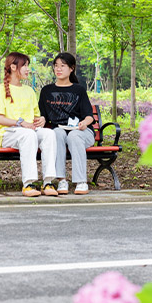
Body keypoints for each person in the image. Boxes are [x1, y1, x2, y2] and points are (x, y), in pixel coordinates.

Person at [0, 52, 58, 197]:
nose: (28, 69)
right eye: (25, 66)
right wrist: (21, 123)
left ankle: (48, 182)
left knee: (49, 133)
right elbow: (0, 119)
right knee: (28, 135)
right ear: (13, 67)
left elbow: (35, 117)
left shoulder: (29, 91)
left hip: (29, 132)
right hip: (9, 133)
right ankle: (28, 184)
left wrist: (41, 120)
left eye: (28, 66)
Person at [39, 52, 95, 195]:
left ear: (71, 68)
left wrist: (83, 123)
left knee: (74, 136)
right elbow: (42, 115)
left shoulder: (79, 90)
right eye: (56, 66)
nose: (58, 69)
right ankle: (61, 180)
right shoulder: (46, 91)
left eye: (62, 66)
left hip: (81, 132)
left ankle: (81, 182)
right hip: (60, 130)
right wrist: (42, 119)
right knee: (56, 133)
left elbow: (89, 117)